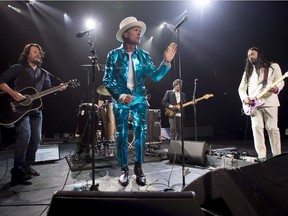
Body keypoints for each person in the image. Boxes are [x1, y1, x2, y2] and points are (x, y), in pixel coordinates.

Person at [103, 16, 177, 187]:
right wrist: (119, 95)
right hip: (121, 98)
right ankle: (123, 170)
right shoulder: (113, 55)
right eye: (136, 30)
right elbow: (107, 80)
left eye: (139, 30)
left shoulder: (144, 55)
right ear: (126, 34)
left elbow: (156, 76)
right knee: (121, 134)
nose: (139, 33)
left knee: (141, 132)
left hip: (139, 98)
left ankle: (138, 168)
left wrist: (166, 62)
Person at [0, 43, 66, 186]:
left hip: (36, 110)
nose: (38, 54)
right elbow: (1, 82)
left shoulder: (44, 73)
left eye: (39, 52)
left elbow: (48, 89)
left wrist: (58, 89)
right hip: (17, 109)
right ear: (27, 54)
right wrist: (13, 93)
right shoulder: (18, 68)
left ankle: (27, 165)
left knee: (36, 139)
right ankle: (16, 172)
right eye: (34, 52)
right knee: (25, 135)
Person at [238, 47, 285, 162]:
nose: (250, 57)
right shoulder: (248, 72)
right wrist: (245, 99)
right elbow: (241, 89)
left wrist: (276, 89)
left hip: (270, 102)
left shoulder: (274, 67)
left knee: (273, 129)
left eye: (252, 54)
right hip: (254, 104)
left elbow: (281, 81)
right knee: (256, 128)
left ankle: (277, 155)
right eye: (249, 55)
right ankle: (262, 156)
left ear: (259, 55)